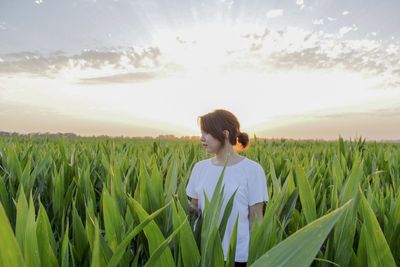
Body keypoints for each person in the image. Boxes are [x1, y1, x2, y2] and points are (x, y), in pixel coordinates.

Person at [186, 109, 268, 267]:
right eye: (201, 133)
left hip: (238, 256)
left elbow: (256, 220)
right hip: (204, 253)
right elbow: (194, 209)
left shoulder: (252, 170)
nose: (201, 138)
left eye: (206, 133)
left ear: (224, 133)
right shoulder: (199, 168)